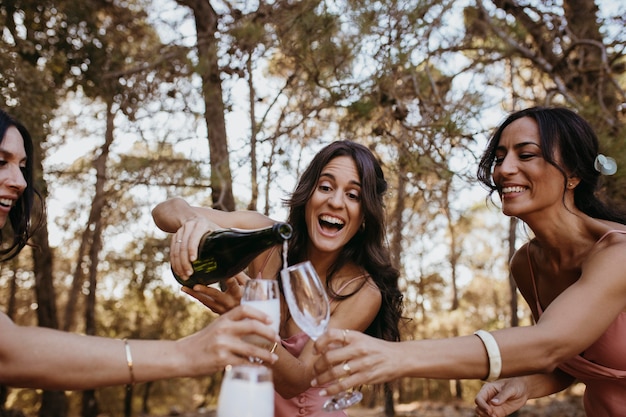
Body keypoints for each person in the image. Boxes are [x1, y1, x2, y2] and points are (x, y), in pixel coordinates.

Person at [311, 107, 626, 417]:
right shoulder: (527, 264)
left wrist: (395, 356)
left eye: (526, 154)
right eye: (500, 157)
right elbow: (571, 358)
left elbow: (550, 343)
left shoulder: (618, 252)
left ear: (573, 174)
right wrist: (524, 386)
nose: (503, 170)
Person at [0, 108, 279, 391]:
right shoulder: (259, 228)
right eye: (1, 162)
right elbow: (8, 352)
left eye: (22, 167)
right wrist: (186, 353)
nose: (21, 182)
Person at [151, 140, 404, 417]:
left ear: (365, 214)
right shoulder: (266, 238)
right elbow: (165, 210)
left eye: (353, 195)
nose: (335, 201)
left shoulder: (362, 291)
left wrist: (248, 320)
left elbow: (296, 381)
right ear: (308, 194)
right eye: (326, 187)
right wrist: (193, 222)